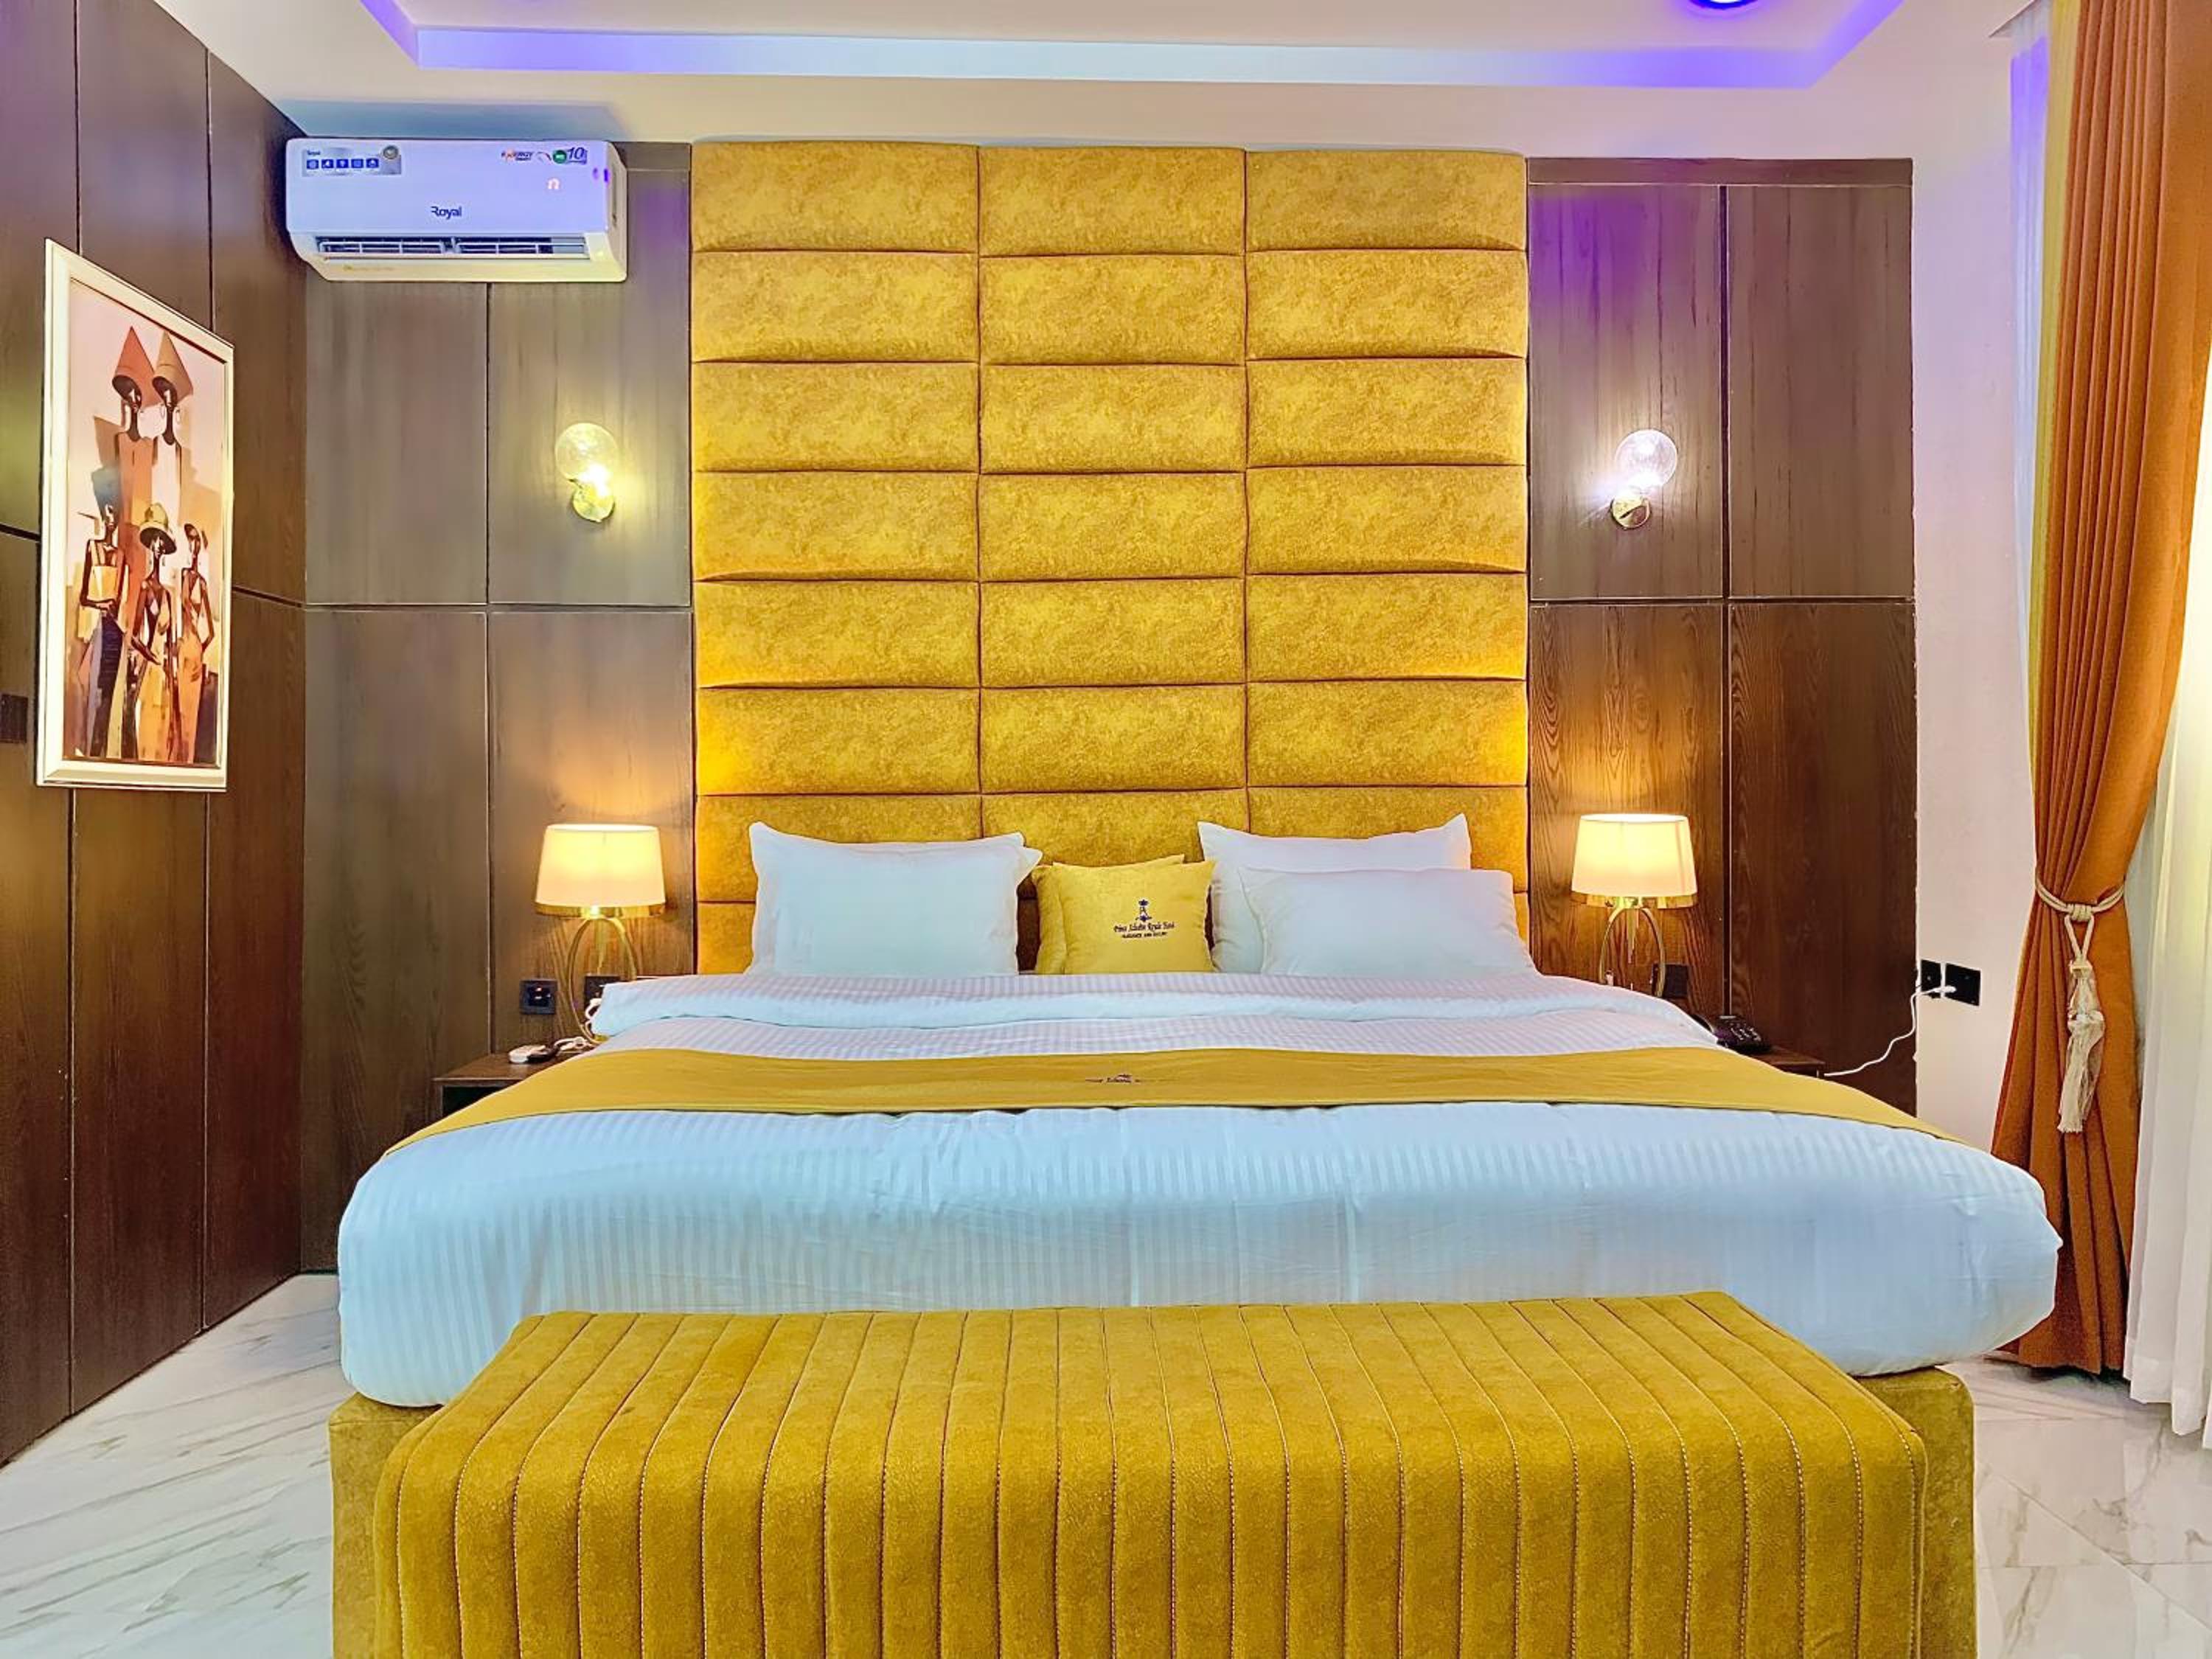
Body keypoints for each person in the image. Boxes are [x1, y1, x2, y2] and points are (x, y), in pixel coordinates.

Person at [66, 469, 125, 759]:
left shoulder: (121, 555)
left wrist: (113, 609)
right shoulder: (93, 547)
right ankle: (89, 746)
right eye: (108, 510)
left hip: (114, 630)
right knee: (92, 689)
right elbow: (84, 596)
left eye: (115, 511)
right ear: (103, 512)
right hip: (97, 626)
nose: (111, 517)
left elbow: (120, 599)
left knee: (109, 693)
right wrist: (102, 604)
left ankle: (102, 749)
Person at [125, 505, 178, 763]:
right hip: (149, 668)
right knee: (145, 726)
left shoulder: (167, 595)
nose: (158, 545)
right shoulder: (145, 587)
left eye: (161, 540)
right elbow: (133, 636)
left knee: (163, 729)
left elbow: (171, 642)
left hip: (164, 672)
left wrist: (170, 669)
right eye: (154, 540)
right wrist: (150, 657)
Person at [175, 524, 216, 765]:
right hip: (182, 648)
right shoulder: (182, 575)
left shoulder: (202, 583)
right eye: (190, 541)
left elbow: (211, 630)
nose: (193, 546)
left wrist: (201, 649)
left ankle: (188, 760)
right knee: (179, 711)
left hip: (195, 651)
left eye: (196, 541)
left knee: (192, 712)